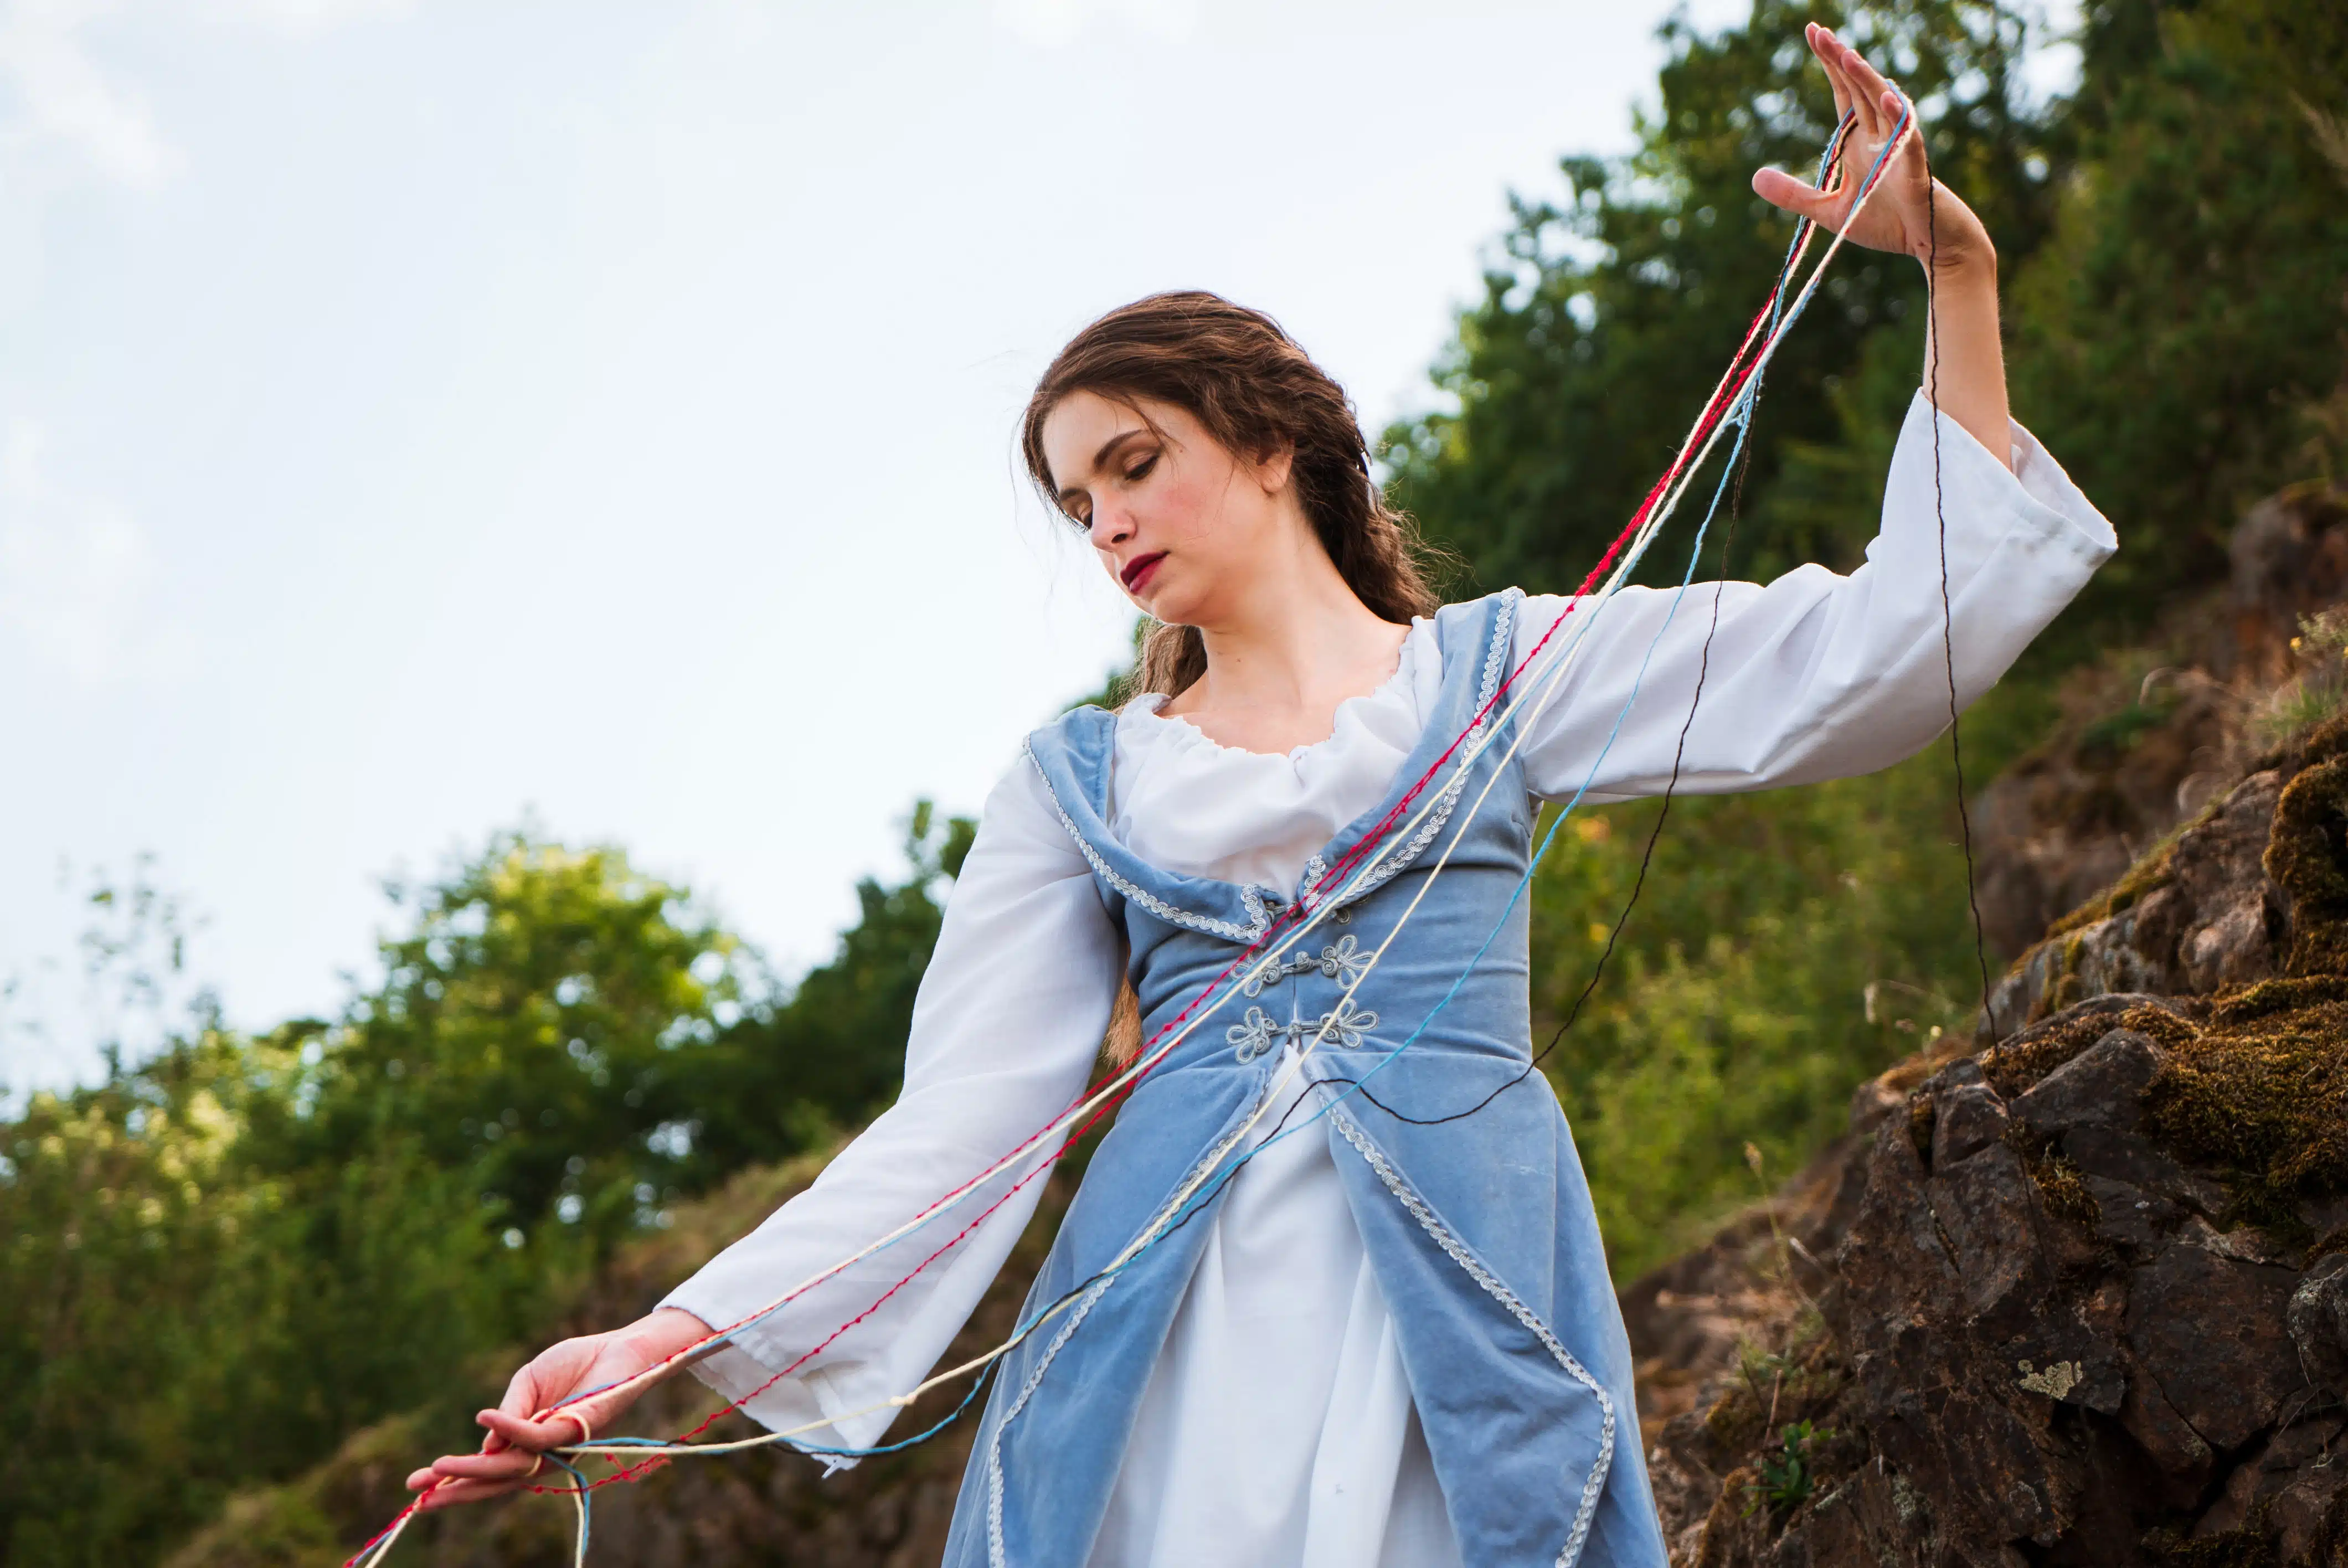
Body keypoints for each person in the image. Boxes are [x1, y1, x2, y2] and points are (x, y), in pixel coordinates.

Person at [409, 25, 2115, 1566]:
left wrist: (1955, 275)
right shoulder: (1079, 787)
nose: (1110, 526)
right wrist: (655, 1343)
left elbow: (1899, 649)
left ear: (1274, 437)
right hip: (1161, 1342)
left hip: (1461, 1307)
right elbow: (958, 1128)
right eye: (1080, 503)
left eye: (1134, 463)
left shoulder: (1510, 673)